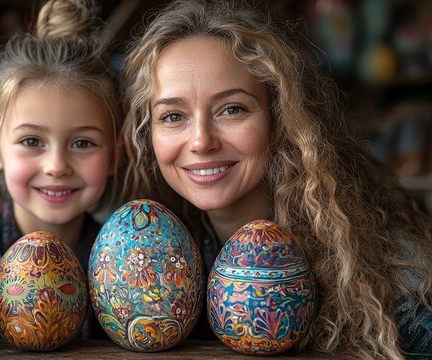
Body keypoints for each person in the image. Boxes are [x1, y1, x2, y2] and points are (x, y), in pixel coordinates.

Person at [119, 0, 432, 359]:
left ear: (279, 120)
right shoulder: (154, 261)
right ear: (148, 135)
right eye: (173, 116)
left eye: (232, 109)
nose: (201, 140)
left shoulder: (385, 278)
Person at [0, 0, 121, 339]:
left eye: (83, 143)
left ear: (115, 156)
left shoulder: (123, 267)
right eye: (32, 141)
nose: (57, 166)